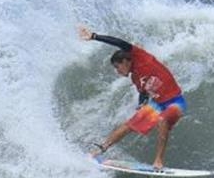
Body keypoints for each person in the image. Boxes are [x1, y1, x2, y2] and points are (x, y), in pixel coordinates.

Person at [77, 25, 187, 170]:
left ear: (125, 61)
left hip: (175, 102)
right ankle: (99, 150)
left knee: (162, 120)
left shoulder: (141, 57)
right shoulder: (135, 76)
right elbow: (143, 92)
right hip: (158, 104)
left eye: (117, 67)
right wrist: (142, 104)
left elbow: (120, 43)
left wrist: (94, 37)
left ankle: (159, 161)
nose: (117, 71)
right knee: (128, 126)